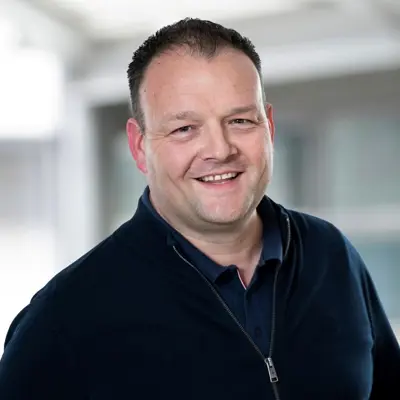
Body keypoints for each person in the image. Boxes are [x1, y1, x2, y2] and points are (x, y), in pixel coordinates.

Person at [0, 17, 399, 400]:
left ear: (269, 126)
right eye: (184, 129)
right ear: (140, 146)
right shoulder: (65, 318)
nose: (220, 150)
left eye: (240, 120)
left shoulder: (331, 256)